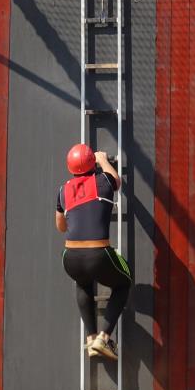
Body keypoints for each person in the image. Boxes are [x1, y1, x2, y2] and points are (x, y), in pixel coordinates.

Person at [56, 143, 131, 360]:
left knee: (83, 283)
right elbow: (117, 180)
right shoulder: (103, 181)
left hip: (70, 257)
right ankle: (103, 338)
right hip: (98, 254)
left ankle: (90, 339)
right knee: (123, 283)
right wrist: (103, 159)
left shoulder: (63, 190)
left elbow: (61, 226)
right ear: (93, 163)